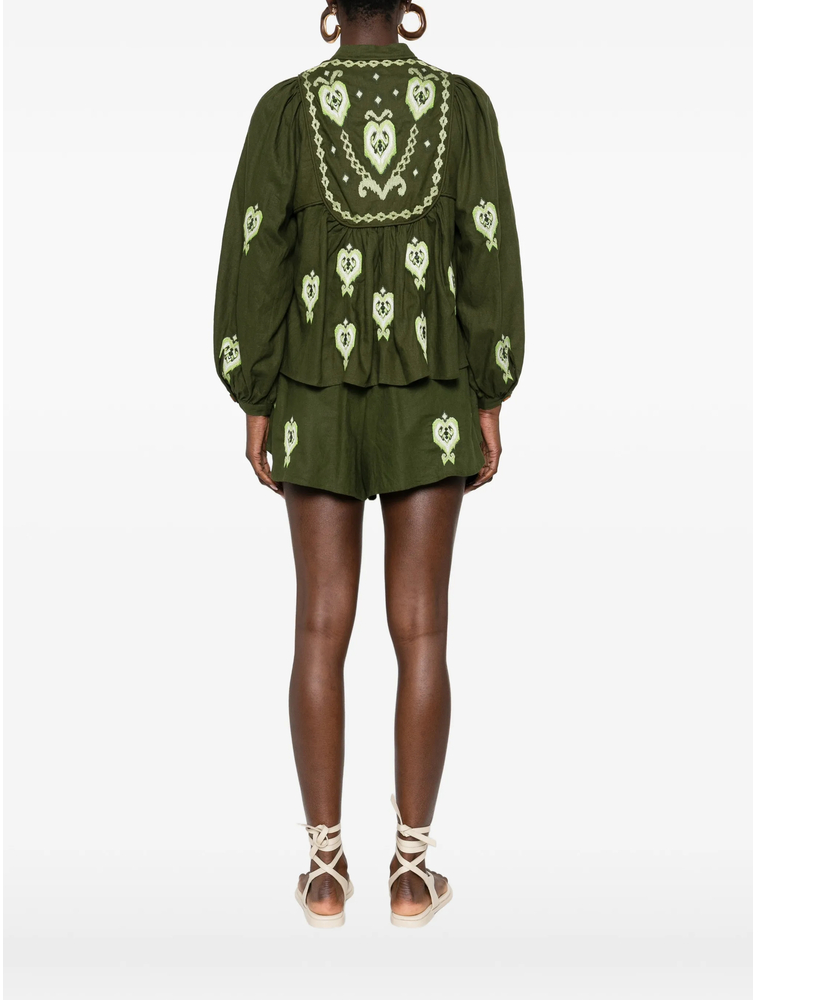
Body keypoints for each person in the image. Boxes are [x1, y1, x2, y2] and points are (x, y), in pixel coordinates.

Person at [213, 0, 525, 928]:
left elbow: (256, 255)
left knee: (319, 625)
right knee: (421, 630)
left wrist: (256, 395)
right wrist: (490, 392)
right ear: (410, 8)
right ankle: (412, 874)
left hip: (313, 391)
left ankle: (322, 872)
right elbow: (488, 249)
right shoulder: (463, 108)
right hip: (432, 391)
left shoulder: (284, 111)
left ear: (329, 8)